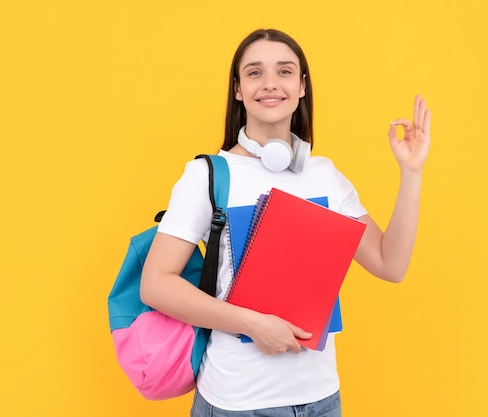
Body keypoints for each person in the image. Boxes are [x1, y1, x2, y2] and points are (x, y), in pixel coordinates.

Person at [140, 28, 431, 416]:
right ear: (239, 89)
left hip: (322, 399)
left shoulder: (324, 174)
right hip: (240, 403)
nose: (271, 84)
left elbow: (390, 265)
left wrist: (411, 173)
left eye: (285, 71)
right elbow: (155, 285)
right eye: (255, 73)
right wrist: (252, 323)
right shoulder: (208, 175)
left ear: (302, 86)